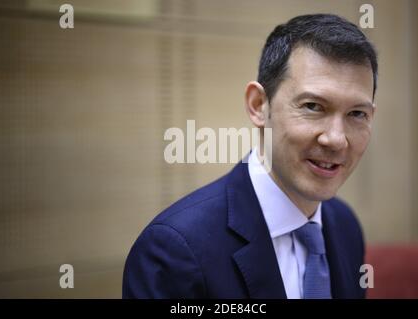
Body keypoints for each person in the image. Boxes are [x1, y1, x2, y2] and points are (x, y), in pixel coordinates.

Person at [123, 13, 378, 299]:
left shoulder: (344, 224)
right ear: (258, 105)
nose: (336, 139)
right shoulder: (175, 249)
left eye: (357, 114)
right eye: (313, 106)